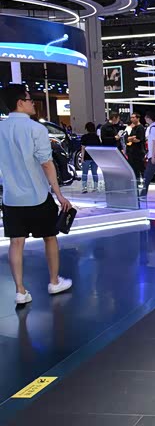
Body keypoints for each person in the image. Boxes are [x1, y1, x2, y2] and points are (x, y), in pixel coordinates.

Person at [0, 84, 72, 305]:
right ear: (20, 102)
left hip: (11, 198)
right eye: (30, 99)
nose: (33, 103)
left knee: (16, 243)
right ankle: (54, 281)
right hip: (37, 196)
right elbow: (47, 163)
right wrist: (59, 194)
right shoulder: (36, 129)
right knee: (49, 237)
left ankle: (20, 291)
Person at [80, 122, 101, 193]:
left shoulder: (84, 137)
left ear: (87, 129)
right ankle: (95, 187)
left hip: (86, 157)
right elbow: (98, 148)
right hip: (95, 157)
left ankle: (84, 188)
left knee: (84, 173)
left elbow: (83, 148)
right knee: (94, 173)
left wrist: (82, 158)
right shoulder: (97, 137)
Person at [126, 113, 146, 185]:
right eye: (131, 117)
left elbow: (138, 139)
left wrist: (131, 138)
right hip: (132, 152)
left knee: (141, 168)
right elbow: (128, 138)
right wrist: (131, 138)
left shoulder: (140, 128)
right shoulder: (133, 128)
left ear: (138, 118)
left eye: (133, 117)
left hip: (139, 152)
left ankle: (145, 182)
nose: (131, 119)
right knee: (134, 169)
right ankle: (137, 183)